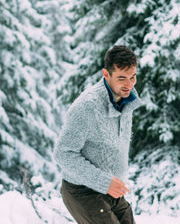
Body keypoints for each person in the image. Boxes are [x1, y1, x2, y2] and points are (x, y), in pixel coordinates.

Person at [53, 45, 142, 224]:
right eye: (122, 78)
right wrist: (104, 181)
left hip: (111, 190)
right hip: (82, 191)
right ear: (106, 74)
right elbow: (62, 154)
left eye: (133, 77)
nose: (129, 85)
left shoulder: (127, 98)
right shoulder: (87, 107)